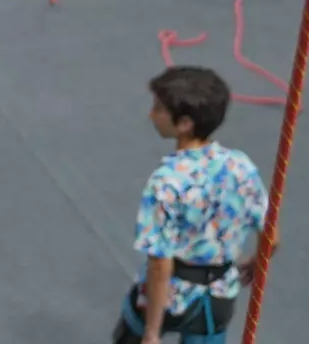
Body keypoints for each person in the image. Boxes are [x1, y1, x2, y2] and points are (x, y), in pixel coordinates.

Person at [114, 67, 270, 344]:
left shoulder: (166, 183)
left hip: (174, 295)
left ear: (185, 123)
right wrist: (257, 260)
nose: (151, 114)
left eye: (158, 108)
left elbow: (160, 264)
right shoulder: (241, 166)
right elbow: (271, 232)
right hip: (217, 296)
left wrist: (151, 332)